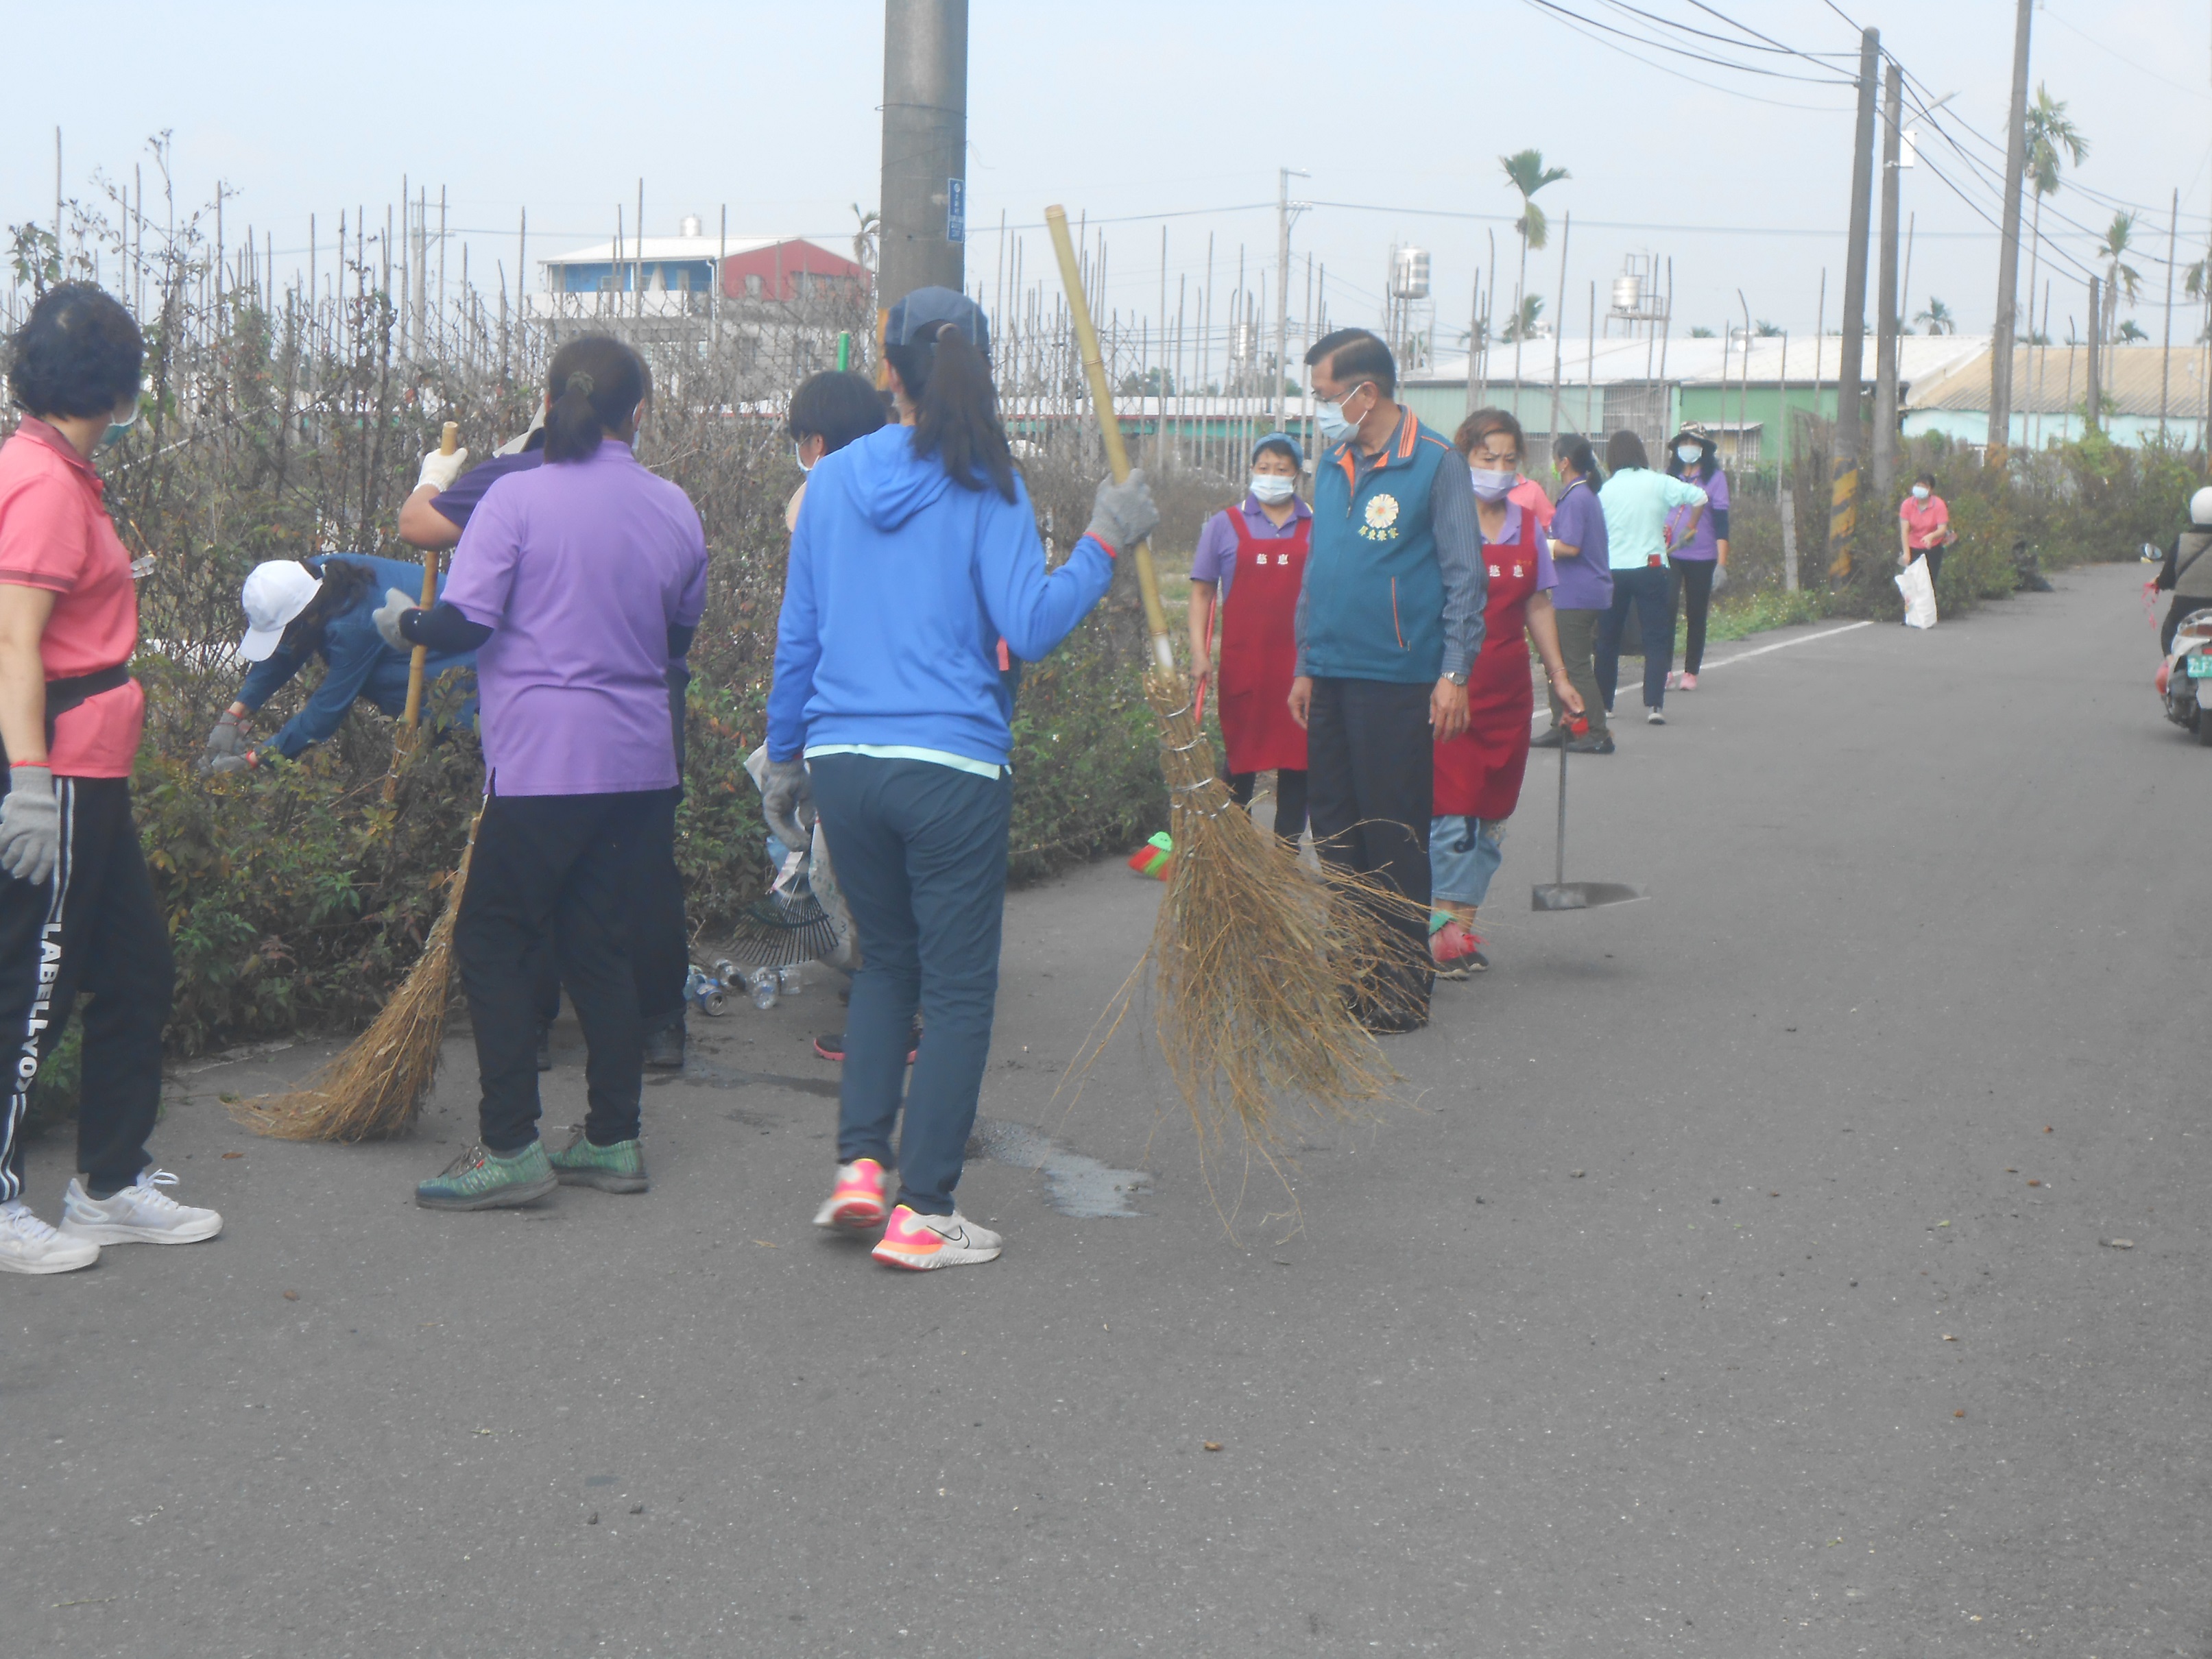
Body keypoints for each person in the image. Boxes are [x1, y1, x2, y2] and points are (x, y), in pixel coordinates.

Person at [763, 286, 1149, 1269]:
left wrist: (784, 752)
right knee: (960, 988)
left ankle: (858, 1170)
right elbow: (1032, 625)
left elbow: (799, 631)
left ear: (886, 369)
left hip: (845, 762)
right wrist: (1105, 540)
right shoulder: (989, 480)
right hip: (949, 764)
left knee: (886, 965)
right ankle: (923, 1211)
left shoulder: (835, 482)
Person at [386, 335, 708, 1210]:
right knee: (592, 939)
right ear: (637, 412)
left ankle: (510, 1147)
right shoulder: (674, 506)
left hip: (542, 764)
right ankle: (611, 1138)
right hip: (639, 762)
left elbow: (466, 624)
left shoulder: (515, 497)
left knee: (490, 937)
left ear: (546, 399)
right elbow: (677, 641)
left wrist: (406, 630)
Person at [0, 283, 222, 1273]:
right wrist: (31, 783)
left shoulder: (58, 467)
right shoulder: (44, 483)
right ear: (123, 386)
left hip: (94, 766)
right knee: (31, 992)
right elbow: (16, 641)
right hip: (60, 771)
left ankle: (107, 1183)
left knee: (137, 973)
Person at [1289, 328, 1484, 1034]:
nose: (1318, 408)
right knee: (1337, 834)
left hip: (1397, 678)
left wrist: (1453, 673)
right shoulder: (1333, 459)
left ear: (1363, 392)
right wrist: (1305, 660)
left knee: (1393, 835)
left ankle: (1400, 988)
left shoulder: (1434, 464)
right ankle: (1353, 975)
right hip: (1331, 673)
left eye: (1323, 395)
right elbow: (1319, 568)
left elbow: (1466, 577)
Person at [1429, 410, 1585, 978]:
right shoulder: (1439, 521)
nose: (1497, 469)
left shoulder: (1526, 524)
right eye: (1485, 458)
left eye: (1508, 461)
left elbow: (1538, 605)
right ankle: (1439, 935)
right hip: (1451, 691)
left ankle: (1458, 934)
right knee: (1451, 821)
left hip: (1509, 693)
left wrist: (1560, 678)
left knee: (1492, 821)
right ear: (1461, 459)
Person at [203, 555, 477, 771]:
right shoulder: (312, 576)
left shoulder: (354, 625)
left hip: (466, 667)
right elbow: (287, 649)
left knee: (463, 761)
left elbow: (326, 710)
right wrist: (234, 715)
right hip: (444, 641)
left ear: (306, 617)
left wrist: (255, 759)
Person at [1188, 433, 1311, 847]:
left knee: (1299, 763)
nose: (1272, 476)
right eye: (1264, 467)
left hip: (1301, 667)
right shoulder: (1224, 525)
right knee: (1240, 757)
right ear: (1251, 470)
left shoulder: (1318, 526)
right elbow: (1203, 592)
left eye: (1282, 469)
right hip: (1247, 664)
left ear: (1296, 474)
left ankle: (1284, 860)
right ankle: (1234, 854)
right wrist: (1199, 653)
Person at [1596, 430, 1706, 727]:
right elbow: (1700, 496)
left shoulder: (1605, 490)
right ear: (1641, 453)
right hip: (1652, 566)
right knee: (1656, 637)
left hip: (1614, 570)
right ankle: (1654, 705)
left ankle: (1605, 705)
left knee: (1607, 639)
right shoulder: (1658, 482)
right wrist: (1690, 527)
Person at [1535, 433, 1612, 754]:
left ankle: (1597, 732)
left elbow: (1571, 546)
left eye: (1555, 458)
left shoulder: (1578, 497)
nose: (1553, 464)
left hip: (1578, 594)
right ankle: (1562, 725)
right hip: (1576, 591)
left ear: (1564, 462)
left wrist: (1543, 545)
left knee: (1575, 664)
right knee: (1556, 661)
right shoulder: (1577, 494)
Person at [1663, 424, 1729, 690]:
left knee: (1696, 612)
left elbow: (1722, 524)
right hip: (1671, 553)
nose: (1688, 447)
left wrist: (1722, 564)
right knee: (1666, 609)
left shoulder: (1715, 479)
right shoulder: (1669, 477)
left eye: (1693, 442)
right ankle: (1664, 668)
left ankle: (1691, 671)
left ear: (1703, 449)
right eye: (1684, 442)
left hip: (1703, 557)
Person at [2155, 486, 2212, 651]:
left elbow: (2166, 581)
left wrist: (2158, 581)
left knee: (2169, 635)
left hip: (2185, 612)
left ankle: (2174, 664)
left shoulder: (2182, 542)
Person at [1899, 471, 1955, 592]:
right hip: (1913, 547)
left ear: (1931, 490)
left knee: (1929, 583)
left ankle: (1929, 610)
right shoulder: (1907, 505)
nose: (1920, 489)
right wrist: (1906, 553)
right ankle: (1913, 611)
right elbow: (1904, 531)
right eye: (1918, 485)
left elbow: (1942, 529)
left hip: (1933, 548)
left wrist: (1931, 536)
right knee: (1913, 584)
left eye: (1924, 487)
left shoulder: (1939, 505)